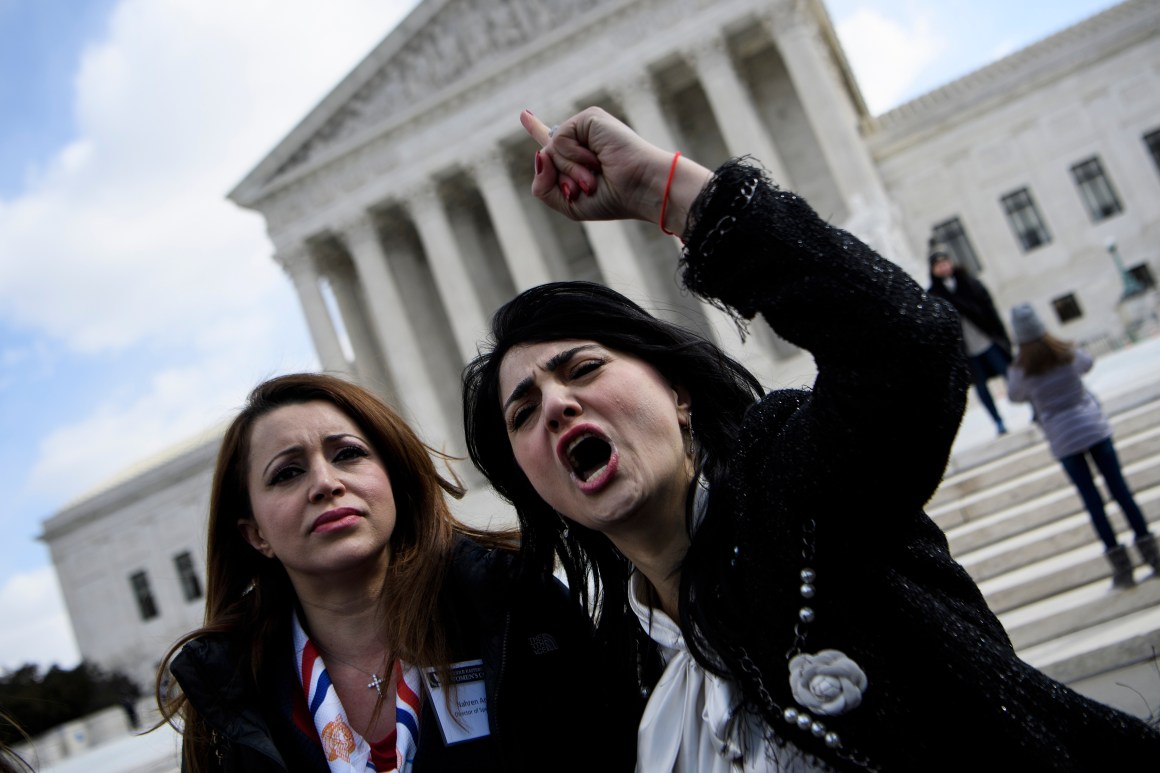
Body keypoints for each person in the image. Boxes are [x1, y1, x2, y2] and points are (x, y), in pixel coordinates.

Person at [461, 107, 1160, 771]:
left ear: (679, 394)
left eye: (583, 368)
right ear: (528, 479)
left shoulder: (799, 498)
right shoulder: (621, 672)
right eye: (522, 412)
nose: (555, 404)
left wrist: (670, 194)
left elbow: (906, 348)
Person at [156, 373, 626, 772]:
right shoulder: (228, 694)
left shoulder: (521, 611)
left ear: (393, 480)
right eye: (286, 474)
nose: (325, 483)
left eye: (348, 454)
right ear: (255, 533)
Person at [1007, 303, 1159, 589]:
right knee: (1121, 492)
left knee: (1093, 502)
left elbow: (1015, 396)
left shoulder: (1021, 369)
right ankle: (1153, 556)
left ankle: (1122, 570)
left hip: (1063, 438)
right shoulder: (1065, 352)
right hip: (1093, 428)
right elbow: (1087, 363)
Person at [927, 251, 1013, 435]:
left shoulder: (970, 283)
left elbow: (989, 309)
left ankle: (1033, 408)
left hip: (987, 340)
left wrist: (1002, 336)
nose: (943, 267)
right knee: (981, 387)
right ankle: (998, 421)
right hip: (965, 351)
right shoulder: (934, 295)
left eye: (945, 263)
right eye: (938, 265)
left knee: (1009, 374)